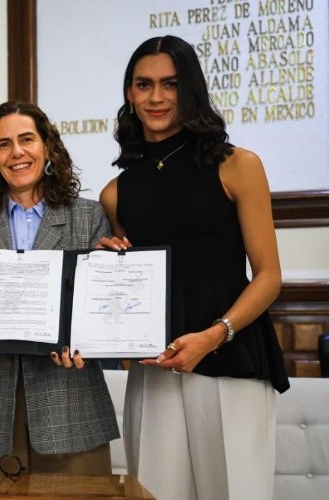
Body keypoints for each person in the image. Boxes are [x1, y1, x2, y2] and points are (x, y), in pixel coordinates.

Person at [99, 35, 290, 500]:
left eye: (171, 84)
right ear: (129, 93)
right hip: (156, 366)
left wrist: (212, 335)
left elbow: (269, 277)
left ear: (192, 89)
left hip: (232, 358)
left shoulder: (238, 166)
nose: (157, 97)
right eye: (144, 84)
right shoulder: (115, 192)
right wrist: (107, 271)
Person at [0, 101, 119, 474]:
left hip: (69, 400)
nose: (16, 152)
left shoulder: (89, 216)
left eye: (26, 139)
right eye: (3, 144)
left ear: (47, 147)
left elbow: (100, 311)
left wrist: (91, 338)